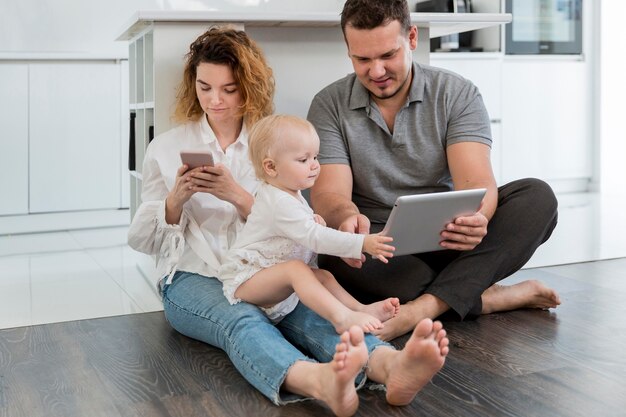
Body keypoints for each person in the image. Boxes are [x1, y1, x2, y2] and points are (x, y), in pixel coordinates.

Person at [127, 26, 449, 416]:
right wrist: (175, 200)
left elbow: (287, 223)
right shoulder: (166, 147)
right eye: (205, 87)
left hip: (266, 271)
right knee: (241, 319)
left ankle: (391, 366)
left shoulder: (275, 146)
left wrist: (236, 194)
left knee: (312, 313)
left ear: (249, 87)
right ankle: (320, 381)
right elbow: (141, 239)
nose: (215, 100)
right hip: (194, 277)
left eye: (229, 89)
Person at [307, 0, 561, 342]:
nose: (377, 71)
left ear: (411, 38)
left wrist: (479, 219)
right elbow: (329, 195)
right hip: (381, 246)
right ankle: (487, 296)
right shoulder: (329, 104)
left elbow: (476, 182)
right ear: (349, 51)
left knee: (537, 197)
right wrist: (346, 217)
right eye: (362, 59)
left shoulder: (456, 93)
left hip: (448, 236)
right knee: (335, 258)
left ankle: (420, 309)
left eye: (388, 55)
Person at [219, 114, 399, 334]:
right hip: (248, 281)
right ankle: (341, 318)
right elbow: (314, 238)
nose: (315, 165)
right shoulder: (278, 201)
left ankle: (360, 308)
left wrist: (315, 221)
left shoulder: (290, 192)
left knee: (324, 276)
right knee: (296, 270)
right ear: (271, 167)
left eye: (316, 157)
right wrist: (362, 243)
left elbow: (304, 230)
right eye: (304, 160)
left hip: (269, 275)